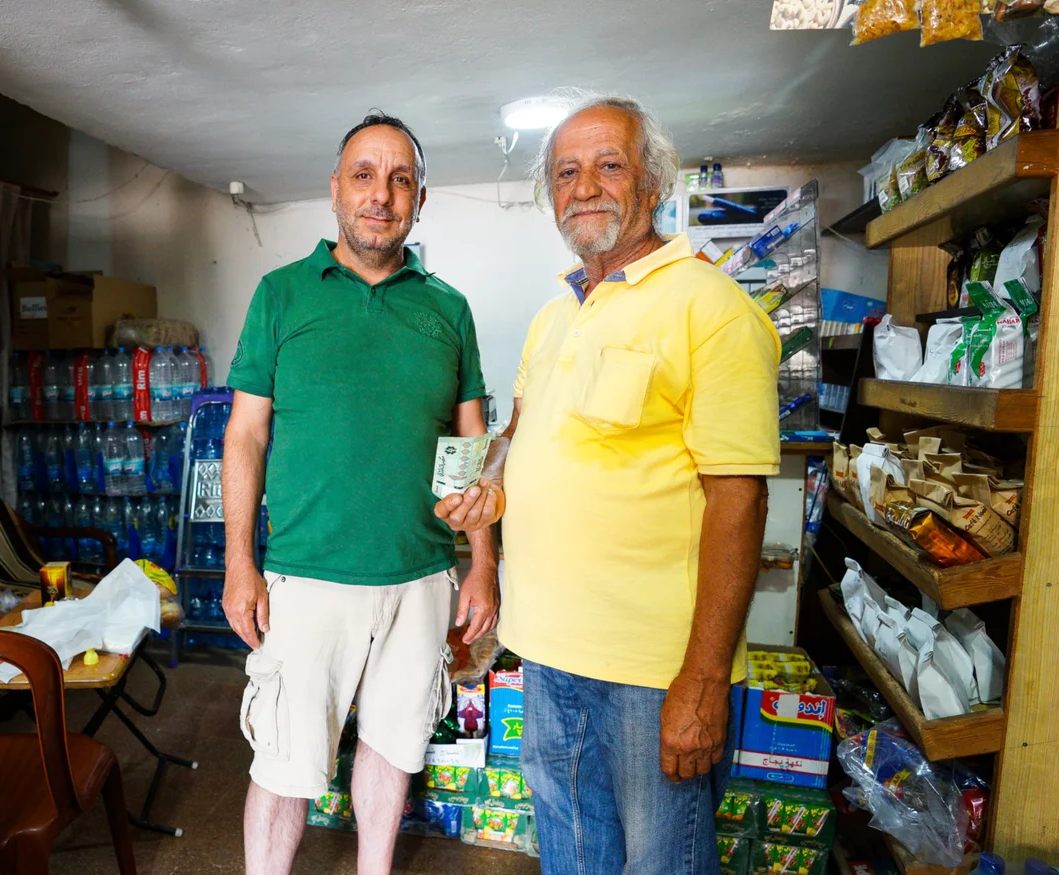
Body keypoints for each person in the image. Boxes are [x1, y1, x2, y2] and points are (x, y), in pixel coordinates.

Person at [437, 92, 780, 874]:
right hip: (546, 654)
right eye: (566, 171)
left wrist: (700, 681)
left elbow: (740, 500)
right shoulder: (552, 318)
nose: (584, 185)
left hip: (653, 677)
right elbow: (519, 437)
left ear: (652, 183)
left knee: (659, 864)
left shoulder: (711, 307)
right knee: (572, 856)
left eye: (608, 165)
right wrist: (488, 486)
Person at [223, 112, 500, 875]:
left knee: (393, 744)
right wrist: (237, 562)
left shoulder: (448, 309)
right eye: (365, 175)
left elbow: (471, 451)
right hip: (306, 578)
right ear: (336, 190)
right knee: (284, 764)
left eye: (400, 178)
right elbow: (243, 436)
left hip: (420, 577)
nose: (382, 194)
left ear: (418, 197)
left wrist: (483, 563)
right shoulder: (281, 295)